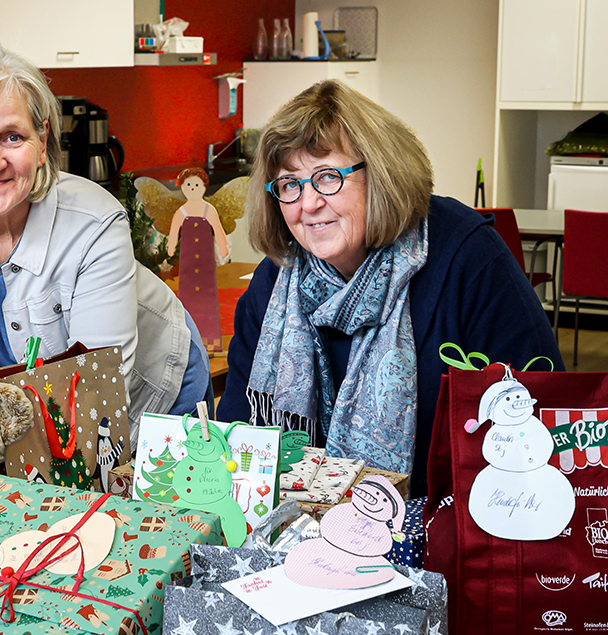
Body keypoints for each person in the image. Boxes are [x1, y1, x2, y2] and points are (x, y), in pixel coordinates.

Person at [217, 79, 562, 496]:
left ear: (379, 173)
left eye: (327, 177)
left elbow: (541, 407)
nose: (308, 204)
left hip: (446, 527)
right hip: (299, 536)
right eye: (290, 184)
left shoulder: (466, 255)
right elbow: (235, 430)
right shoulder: (276, 279)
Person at [0, 42, 209, 416]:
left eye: (12, 137)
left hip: (151, 393)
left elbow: (96, 397)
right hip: (31, 415)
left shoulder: (95, 223)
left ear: (42, 143)